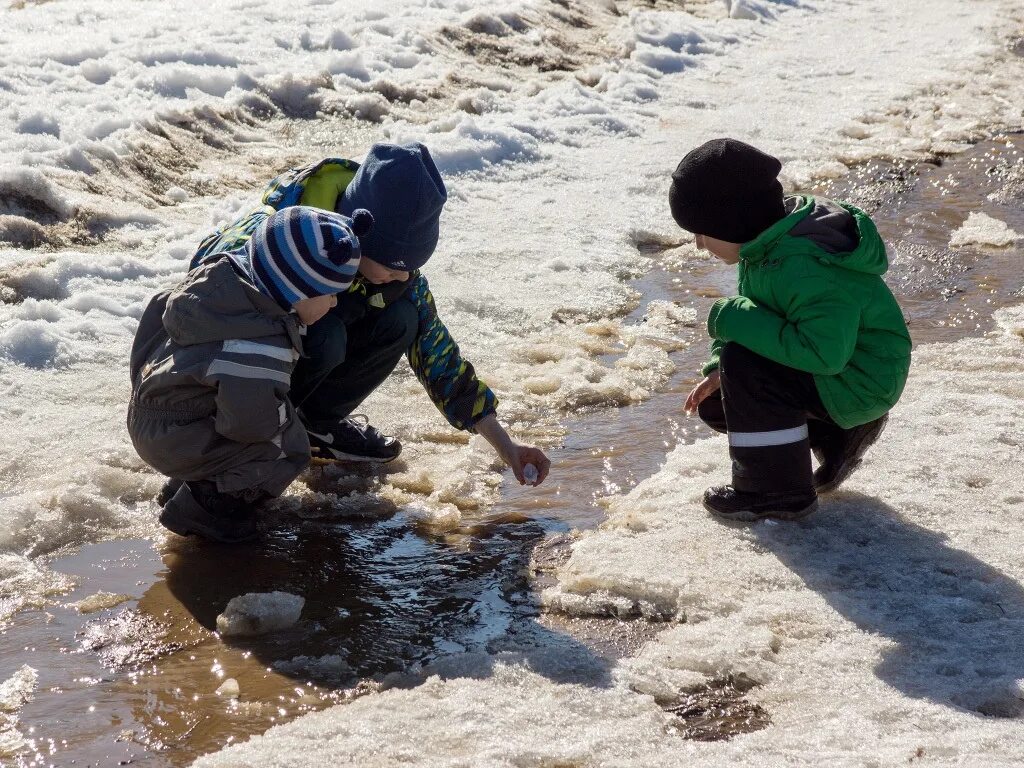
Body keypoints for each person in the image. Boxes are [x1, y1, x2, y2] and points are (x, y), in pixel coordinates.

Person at [187, 142, 550, 488]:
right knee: (327, 336)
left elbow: (441, 360)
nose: (404, 276)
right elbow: (203, 296)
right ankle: (254, 440)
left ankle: (314, 426)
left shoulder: (401, 278)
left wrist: (508, 447)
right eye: (393, 267)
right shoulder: (278, 238)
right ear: (358, 238)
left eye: (412, 267)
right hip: (221, 380)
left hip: (284, 361)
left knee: (404, 317)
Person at [671, 138, 911, 522]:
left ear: (731, 221)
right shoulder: (769, 244)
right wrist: (720, 368)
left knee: (745, 371)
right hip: (841, 372)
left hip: (861, 377)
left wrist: (731, 319)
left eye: (702, 232)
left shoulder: (804, 264)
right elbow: (768, 319)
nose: (699, 245)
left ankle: (777, 492)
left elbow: (823, 354)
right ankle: (836, 438)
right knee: (721, 400)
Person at [128, 206, 372, 543]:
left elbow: (155, 316)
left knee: (252, 432)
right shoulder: (258, 344)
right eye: (328, 295)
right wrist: (286, 421)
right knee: (287, 448)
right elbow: (249, 424)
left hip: (155, 410)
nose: (332, 305)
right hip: (174, 433)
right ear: (294, 291)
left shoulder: (218, 288)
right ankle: (210, 511)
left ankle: (189, 481)